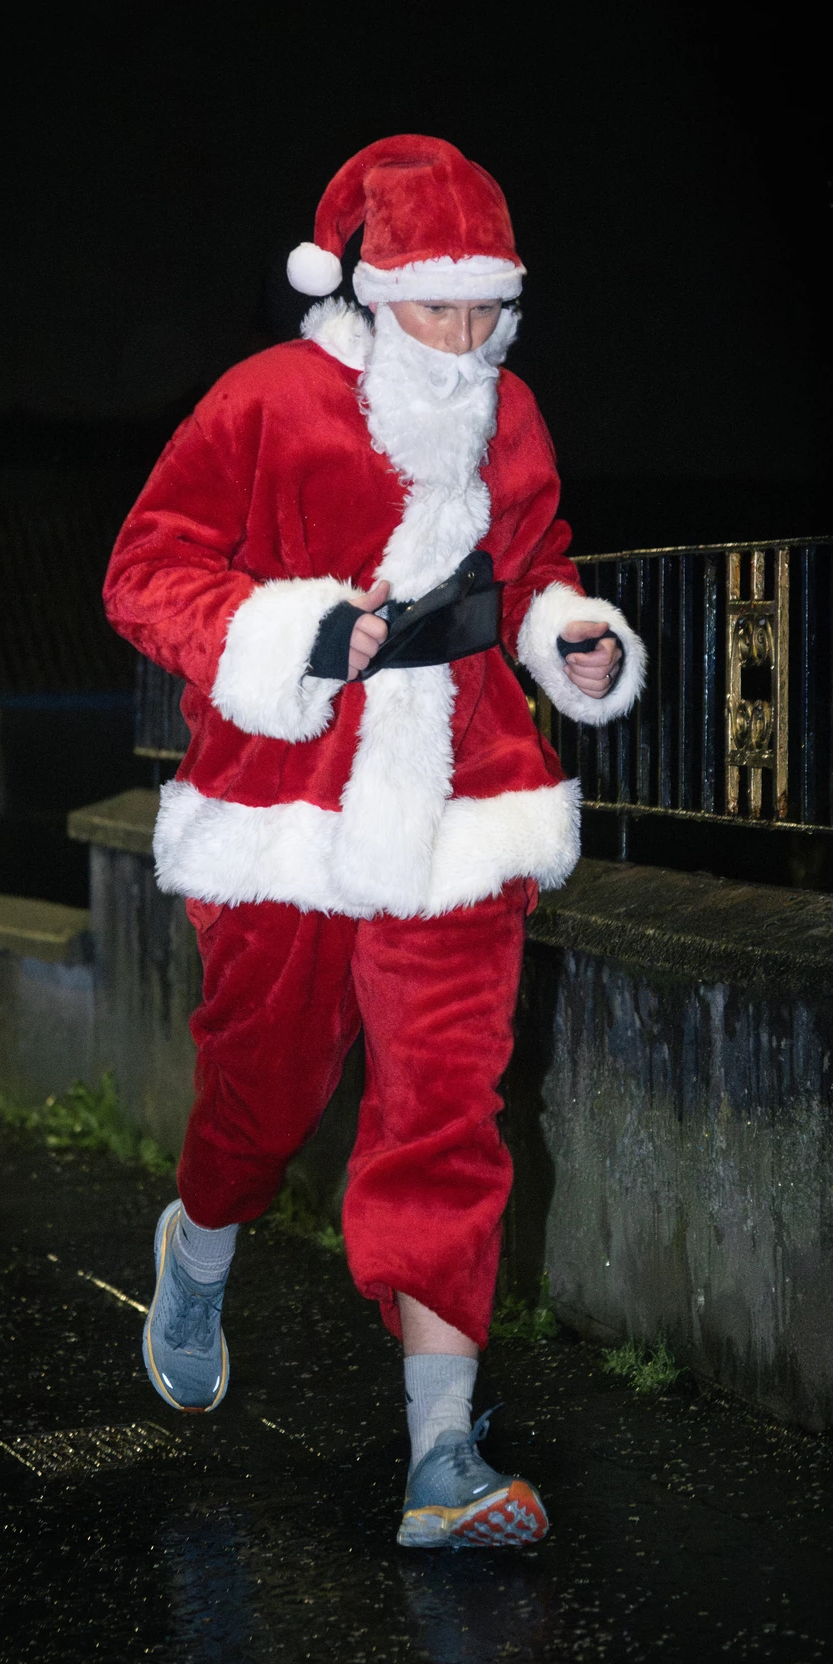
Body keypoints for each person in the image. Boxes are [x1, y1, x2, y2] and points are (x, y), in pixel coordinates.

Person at [103, 135, 645, 1548]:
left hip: (464, 819)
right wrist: (283, 633)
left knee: (445, 1115)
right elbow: (144, 569)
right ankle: (201, 1251)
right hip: (282, 816)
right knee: (261, 1098)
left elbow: (532, 562)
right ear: (363, 289)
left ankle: (441, 1459)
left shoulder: (508, 414)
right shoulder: (266, 401)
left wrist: (569, 635)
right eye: (434, 310)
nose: (465, 343)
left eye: (486, 312)